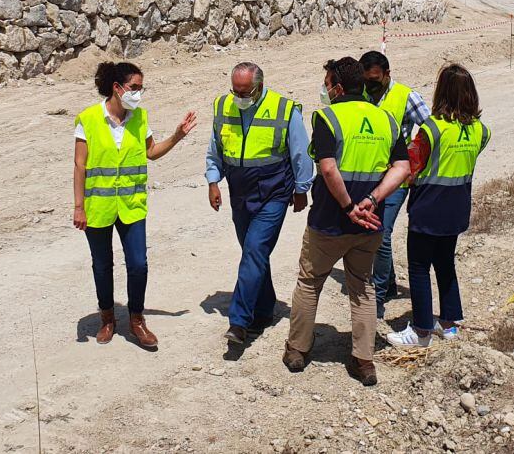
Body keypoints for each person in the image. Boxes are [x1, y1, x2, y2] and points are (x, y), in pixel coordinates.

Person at [283, 57, 411, 386]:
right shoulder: (386, 120)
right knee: (363, 288)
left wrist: (349, 205)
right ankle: (363, 360)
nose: (325, 90)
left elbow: (327, 168)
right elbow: (402, 168)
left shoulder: (327, 117)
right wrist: (371, 201)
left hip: (329, 219)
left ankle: (297, 349)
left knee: (310, 282)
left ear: (337, 88)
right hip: (369, 223)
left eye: (327, 84)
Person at [73, 61, 197, 349]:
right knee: (102, 266)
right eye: (134, 88)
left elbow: (151, 152)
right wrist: (79, 206)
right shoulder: (89, 118)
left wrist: (178, 135)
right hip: (98, 207)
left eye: (141, 88)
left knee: (138, 264)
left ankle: (137, 319)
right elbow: (80, 165)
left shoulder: (140, 118)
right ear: (117, 88)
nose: (138, 94)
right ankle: (107, 319)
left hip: (131, 205)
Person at [206, 62, 314, 345]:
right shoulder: (223, 106)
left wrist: (302, 189)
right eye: (236, 91)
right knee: (254, 252)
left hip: (273, 192)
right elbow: (215, 147)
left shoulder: (284, 109)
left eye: (246, 91)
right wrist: (213, 181)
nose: (239, 97)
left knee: (254, 250)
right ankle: (265, 309)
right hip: (239, 192)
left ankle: (240, 321)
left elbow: (300, 152)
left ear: (260, 86)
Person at [386, 63, 490, 348]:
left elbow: (412, 166)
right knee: (445, 264)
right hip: (457, 208)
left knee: (419, 266)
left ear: (441, 92)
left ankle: (420, 331)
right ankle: (449, 324)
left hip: (428, 207)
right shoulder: (480, 131)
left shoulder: (432, 129)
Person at [359, 50, 432, 319]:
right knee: (374, 232)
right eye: (366, 81)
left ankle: (377, 295)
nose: (370, 87)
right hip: (369, 177)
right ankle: (388, 283)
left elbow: (431, 130)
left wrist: (415, 165)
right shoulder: (363, 95)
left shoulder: (405, 96)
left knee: (382, 233)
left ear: (387, 75)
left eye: (375, 81)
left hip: (396, 177)